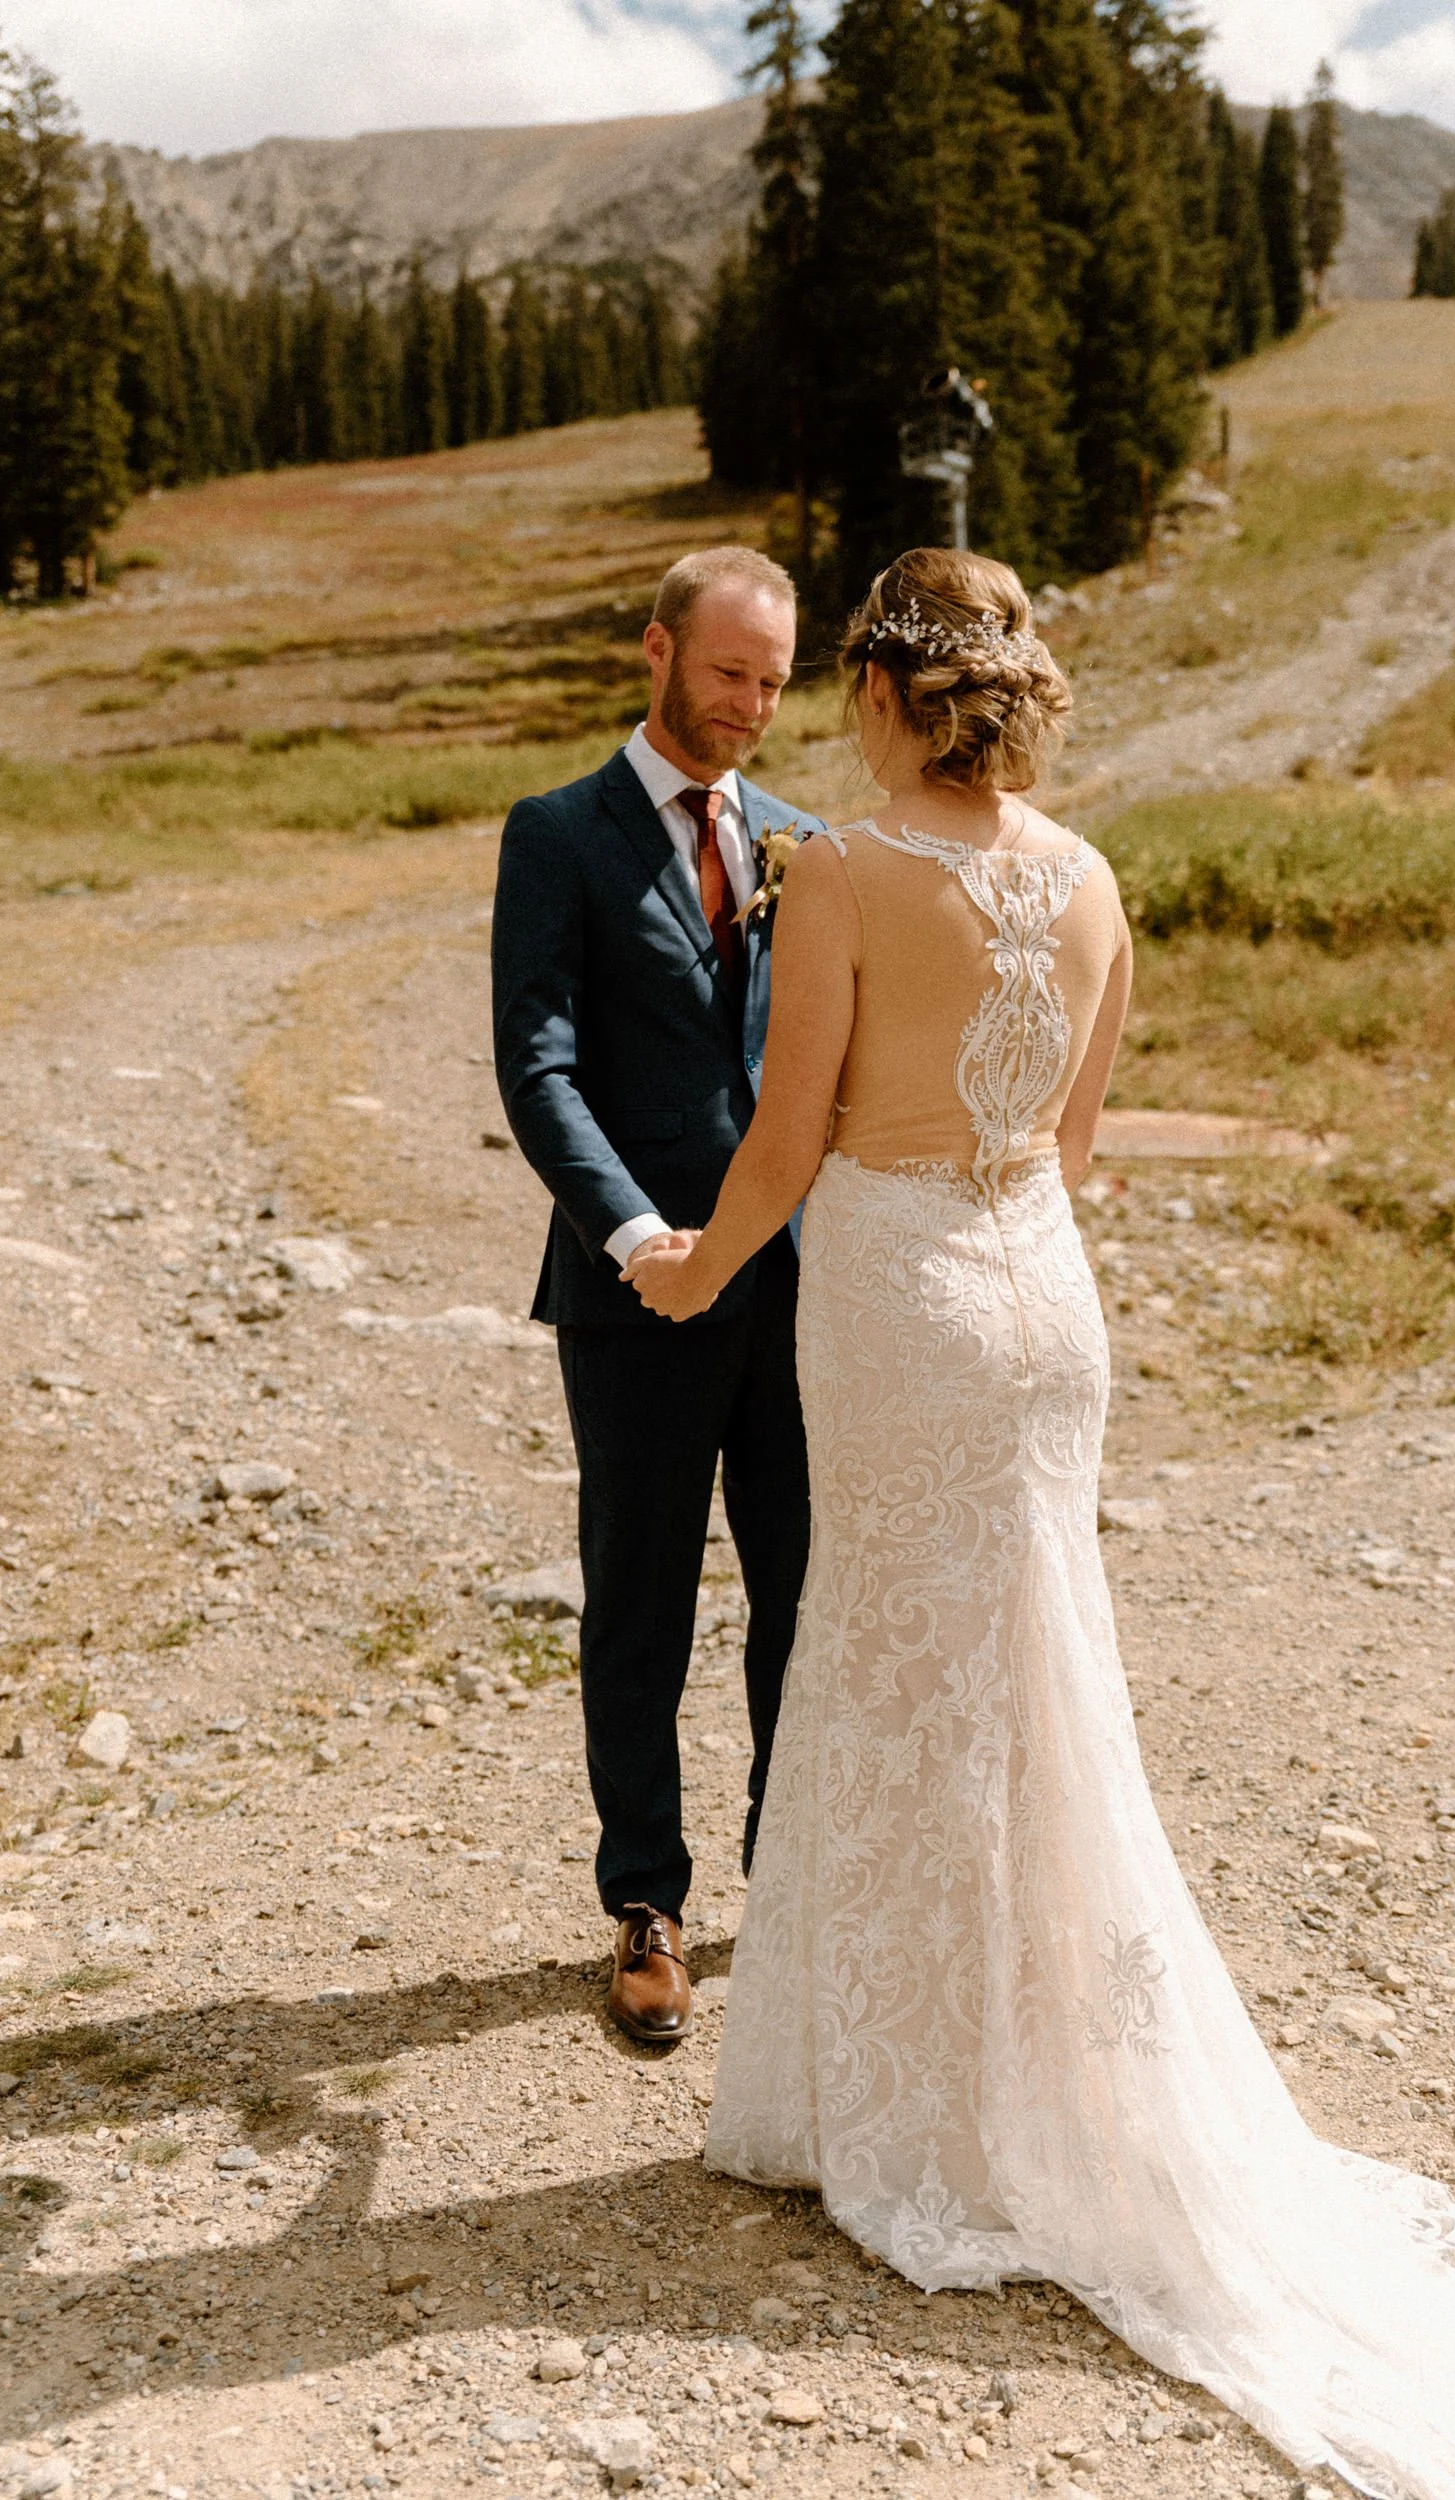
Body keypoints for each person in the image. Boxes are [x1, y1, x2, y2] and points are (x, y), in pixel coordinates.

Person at [630, 546, 1455, 2496]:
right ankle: (1042, 2064)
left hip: (903, 1302)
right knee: (1038, 1684)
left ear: (884, 690)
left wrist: (692, 1272)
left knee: (903, 1675)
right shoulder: (1090, 879)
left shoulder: (838, 871)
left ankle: (912, 2114)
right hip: (1043, 1303)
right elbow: (1074, 1141)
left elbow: (787, 1133)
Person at [492, 545, 821, 2049]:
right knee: (639, 1598)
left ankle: (789, 1880)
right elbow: (538, 1067)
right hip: (634, 1296)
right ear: (659, 649)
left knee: (802, 1597)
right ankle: (646, 1902)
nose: (750, 703)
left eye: (774, 680)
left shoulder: (808, 843)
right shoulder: (557, 834)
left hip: (800, 1289)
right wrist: (633, 1237)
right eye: (729, 671)